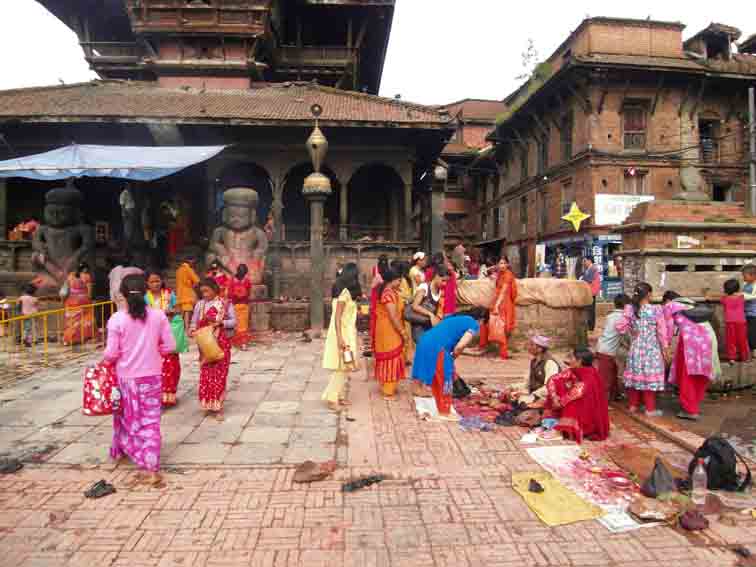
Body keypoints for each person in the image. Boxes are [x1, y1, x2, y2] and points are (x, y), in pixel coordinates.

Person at [103, 274, 175, 488]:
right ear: (145, 293)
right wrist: (156, 351)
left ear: (122, 294)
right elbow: (170, 347)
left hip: (126, 379)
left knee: (126, 418)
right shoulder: (159, 316)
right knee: (150, 422)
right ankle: (150, 466)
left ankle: (127, 451)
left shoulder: (116, 319)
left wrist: (107, 361)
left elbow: (110, 353)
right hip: (152, 377)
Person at [411, 315, 480, 419]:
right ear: (482, 321)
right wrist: (453, 357)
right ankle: (444, 411)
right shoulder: (474, 324)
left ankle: (421, 393)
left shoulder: (458, 318)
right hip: (438, 347)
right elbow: (459, 347)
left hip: (424, 340)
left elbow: (447, 334)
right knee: (445, 378)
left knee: (432, 375)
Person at [616, 283, 670, 417]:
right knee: (649, 378)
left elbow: (620, 327)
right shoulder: (656, 309)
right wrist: (665, 348)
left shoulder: (630, 308)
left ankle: (633, 406)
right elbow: (662, 332)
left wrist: (632, 331)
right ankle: (650, 409)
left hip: (636, 348)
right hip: (651, 348)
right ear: (649, 294)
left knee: (635, 376)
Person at [665, 294, 721, 421]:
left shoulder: (670, 306)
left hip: (691, 343)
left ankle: (690, 410)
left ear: (667, 300)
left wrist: (666, 346)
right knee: (700, 375)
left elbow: (667, 330)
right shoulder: (690, 304)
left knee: (688, 376)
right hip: (708, 339)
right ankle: (694, 403)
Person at [190, 278, 237, 418]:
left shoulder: (225, 304)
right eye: (202, 291)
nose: (204, 294)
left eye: (207, 291)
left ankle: (218, 407)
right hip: (205, 345)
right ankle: (207, 404)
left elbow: (234, 321)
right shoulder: (200, 305)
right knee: (206, 375)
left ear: (215, 289)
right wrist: (192, 330)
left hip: (221, 344)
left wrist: (221, 322)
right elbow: (194, 321)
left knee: (219, 375)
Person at [543, 348, 610, 443]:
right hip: (569, 399)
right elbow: (553, 379)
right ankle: (556, 421)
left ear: (579, 361)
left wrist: (560, 402)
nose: (569, 360)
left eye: (572, 358)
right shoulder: (574, 370)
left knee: (574, 403)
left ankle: (565, 429)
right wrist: (555, 398)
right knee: (559, 385)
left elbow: (578, 392)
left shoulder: (590, 375)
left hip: (588, 410)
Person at [322, 263, 361, 412]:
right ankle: (332, 397)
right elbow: (337, 318)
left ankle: (338, 395)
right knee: (342, 367)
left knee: (346, 365)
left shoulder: (346, 293)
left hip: (348, 331)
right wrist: (340, 338)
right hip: (342, 332)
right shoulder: (344, 294)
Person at [145, 271, 186, 407]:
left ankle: (170, 396)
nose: (155, 284)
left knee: (172, 365)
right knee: (156, 367)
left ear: (162, 281)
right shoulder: (145, 298)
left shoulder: (169, 295)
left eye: (157, 281)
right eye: (152, 281)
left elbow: (179, 308)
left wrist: (171, 312)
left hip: (169, 332)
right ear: (147, 283)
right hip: (153, 336)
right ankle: (157, 397)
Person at [373, 269, 407, 400]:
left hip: (389, 328)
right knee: (392, 357)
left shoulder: (391, 292)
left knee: (392, 356)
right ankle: (388, 391)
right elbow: (393, 316)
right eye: (399, 280)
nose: (400, 283)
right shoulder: (388, 294)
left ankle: (387, 385)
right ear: (392, 280)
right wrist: (403, 332)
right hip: (389, 329)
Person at [596, 294, 631, 401]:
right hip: (608, 351)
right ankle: (602, 402)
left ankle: (614, 395)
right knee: (605, 379)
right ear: (626, 305)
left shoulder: (610, 316)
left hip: (603, 348)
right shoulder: (622, 318)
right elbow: (625, 334)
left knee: (612, 373)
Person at [483, 257, 518, 360]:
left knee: (502, 328)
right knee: (497, 327)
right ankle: (501, 352)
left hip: (504, 303)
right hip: (499, 302)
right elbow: (487, 273)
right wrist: (494, 268)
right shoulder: (500, 274)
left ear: (507, 264)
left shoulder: (508, 275)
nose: (501, 265)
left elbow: (504, 291)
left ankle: (503, 354)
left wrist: (497, 306)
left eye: (503, 263)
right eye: (500, 263)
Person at [410, 264, 449, 347]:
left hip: (430, 325)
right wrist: (430, 314)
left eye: (446, 281)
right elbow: (415, 305)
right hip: (419, 326)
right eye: (443, 280)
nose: (445, 284)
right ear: (436, 276)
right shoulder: (424, 287)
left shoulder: (440, 292)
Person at [517, 334, 561, 404]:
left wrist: (532, 395)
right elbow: (529, 383)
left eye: (531, 345)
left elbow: (549, 386)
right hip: (534, 395)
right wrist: (513, 388)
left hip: (545, 398)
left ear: (540, 348)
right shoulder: (534, 361)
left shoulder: (550, 363)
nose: (528, 347)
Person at [62, 262, 95, 346]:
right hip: (83, 301)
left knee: (71, 321)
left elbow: (68, 288)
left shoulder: (70, 275)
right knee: (84, 320)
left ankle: (68, 338)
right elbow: (89, 293)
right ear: (85, 269)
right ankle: (82, 337)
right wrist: (90, 299)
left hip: (70, 300)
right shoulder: (86, 277)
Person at [721, 279, 751, 364]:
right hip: (741, 321)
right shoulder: (741, 297)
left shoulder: (725, 299)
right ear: (738, 289)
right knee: (742, 339)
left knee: (731, 340)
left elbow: (721, 298)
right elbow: (745, 295)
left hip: (729, 321)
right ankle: (745, 357)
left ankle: (732, 358)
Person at [392, 260, 415, 365]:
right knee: (406, 332)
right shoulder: (406, 279)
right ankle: (406, 357)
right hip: (405, 308)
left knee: (403, 333)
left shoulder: (402, 281)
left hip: (402, 308)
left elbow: (404, 295)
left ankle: (404, 357)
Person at [229, 264, 253, 350]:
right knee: (240, 325)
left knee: (240, 325)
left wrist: (237, 294)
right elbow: (248, 293)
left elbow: (230, 293)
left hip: (239, 305)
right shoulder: (246, 281)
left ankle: (241, 343)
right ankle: (241, 343)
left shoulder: (233, 280)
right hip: (239, 305)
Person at [368, 255, 389, 353]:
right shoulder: (389, 271)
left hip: (376, 296)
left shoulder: (375, 269)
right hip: (383, 297)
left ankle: (375, 345)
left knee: (375, 321)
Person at [176, 256, 200, 330]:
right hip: (187, 292)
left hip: (179, 292)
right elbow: (197, 280)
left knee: (182, 313)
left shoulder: (178, 270)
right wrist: (192, 285)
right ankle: (186, 329)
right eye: (193, 261)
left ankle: (179, 329)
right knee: (187, 311)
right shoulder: (189, 269)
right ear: (190, 261)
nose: (194, 263)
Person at [580, 256, 601, 331]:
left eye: (585, 261)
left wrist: (580, 280)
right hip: (590, 291)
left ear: (589, 261)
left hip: (591, 292)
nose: (584, 262)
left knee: (590, 310)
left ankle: (591, 327)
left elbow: (587, 280)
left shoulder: (592, 268)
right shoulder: (589, 269)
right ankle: (590, 325)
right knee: (590, 309)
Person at [742, 265, 756, 357]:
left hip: (754, 313)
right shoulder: (746, 285)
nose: (743, 277)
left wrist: (741, 295)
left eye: (744, 275)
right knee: (748, 333)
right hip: (746, 313)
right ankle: (750, 350)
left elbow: (752, 297)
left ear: (753, 275)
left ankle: (754, 350)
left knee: (752, 332)